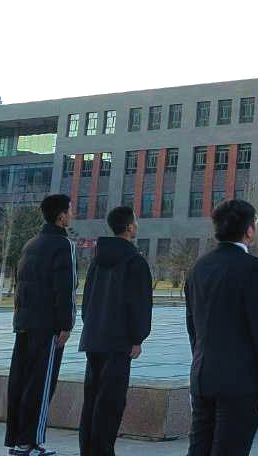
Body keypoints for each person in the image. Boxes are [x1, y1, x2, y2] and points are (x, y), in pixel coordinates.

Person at [185, 199, 258, 456]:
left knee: (199, 448)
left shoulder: (198, 267)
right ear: (249, 230)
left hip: (202, 375)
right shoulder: (252, 268)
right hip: (240, 381)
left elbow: (193, 325)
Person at [78, 205, 153, 456]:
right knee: (111, 402)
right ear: (129, 227)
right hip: (119, 342)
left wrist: (92, 326)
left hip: (94, 338)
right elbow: (139, 303)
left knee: (92, 399)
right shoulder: (135, 261)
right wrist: (137, 337)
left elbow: (87, 301)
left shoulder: (97, 260)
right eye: (135, 222)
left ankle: (88, 450)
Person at [5, 193, 77, 456]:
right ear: (61, 216)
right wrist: (66, 324)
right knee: (41, 384)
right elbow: (65, 288)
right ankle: (31, 442)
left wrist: (19, 320)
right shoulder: (62, 245)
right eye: (70, 210)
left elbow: (19, 286)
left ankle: (17, 441)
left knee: (22, 381)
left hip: (25, 324)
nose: (72, 214)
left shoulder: (31, 243)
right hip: (47, 327)